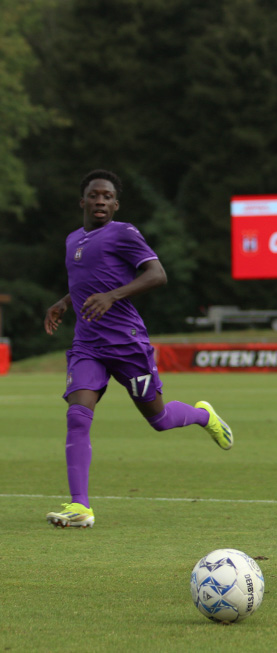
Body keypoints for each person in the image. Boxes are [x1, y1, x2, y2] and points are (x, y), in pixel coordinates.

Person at [43, 169, 233, 529]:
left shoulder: (124, 233)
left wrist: (112, 297)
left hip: (127, 343)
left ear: (115, 204)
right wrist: (64, 302)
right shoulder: (73, 240)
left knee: (159, 419)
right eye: (94, 195)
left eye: (107, 196)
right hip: (88, 345)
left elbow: (157, 274)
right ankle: (80, 506)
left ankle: (204, 416)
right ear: (82, 201)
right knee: (77, 415)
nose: (100, 200)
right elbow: (89, 282)